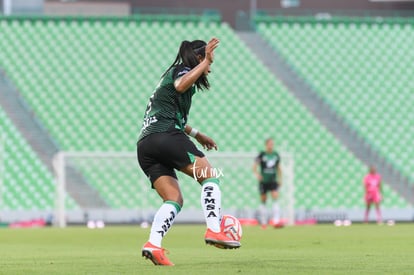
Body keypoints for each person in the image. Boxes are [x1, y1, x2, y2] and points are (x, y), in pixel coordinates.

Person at [137, 38, 240, 266]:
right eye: (208, 61)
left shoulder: (170, 79)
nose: (210, 67)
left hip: (146, 145)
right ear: (199, 58)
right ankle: (215, 229)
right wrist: (204, 64)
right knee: (210, 177)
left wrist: (197, 134)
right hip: (166, 136)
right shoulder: (181, 71)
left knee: (173, 199)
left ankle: (153, 244)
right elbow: (180, 85)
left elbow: (169, 113)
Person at [252, 138, 283, 229]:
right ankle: (264, 222)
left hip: (273, 180)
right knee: (263, 200)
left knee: (275, 197)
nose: (271, 145)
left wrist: (280, 179)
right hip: (263, 181)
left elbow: (278, 168)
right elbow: (254, 167)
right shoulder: (262, 154)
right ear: (266, 145)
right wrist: (257, 174)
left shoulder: (276, 155)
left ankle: (276, 221)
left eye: (272, 144)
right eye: (269, 144)